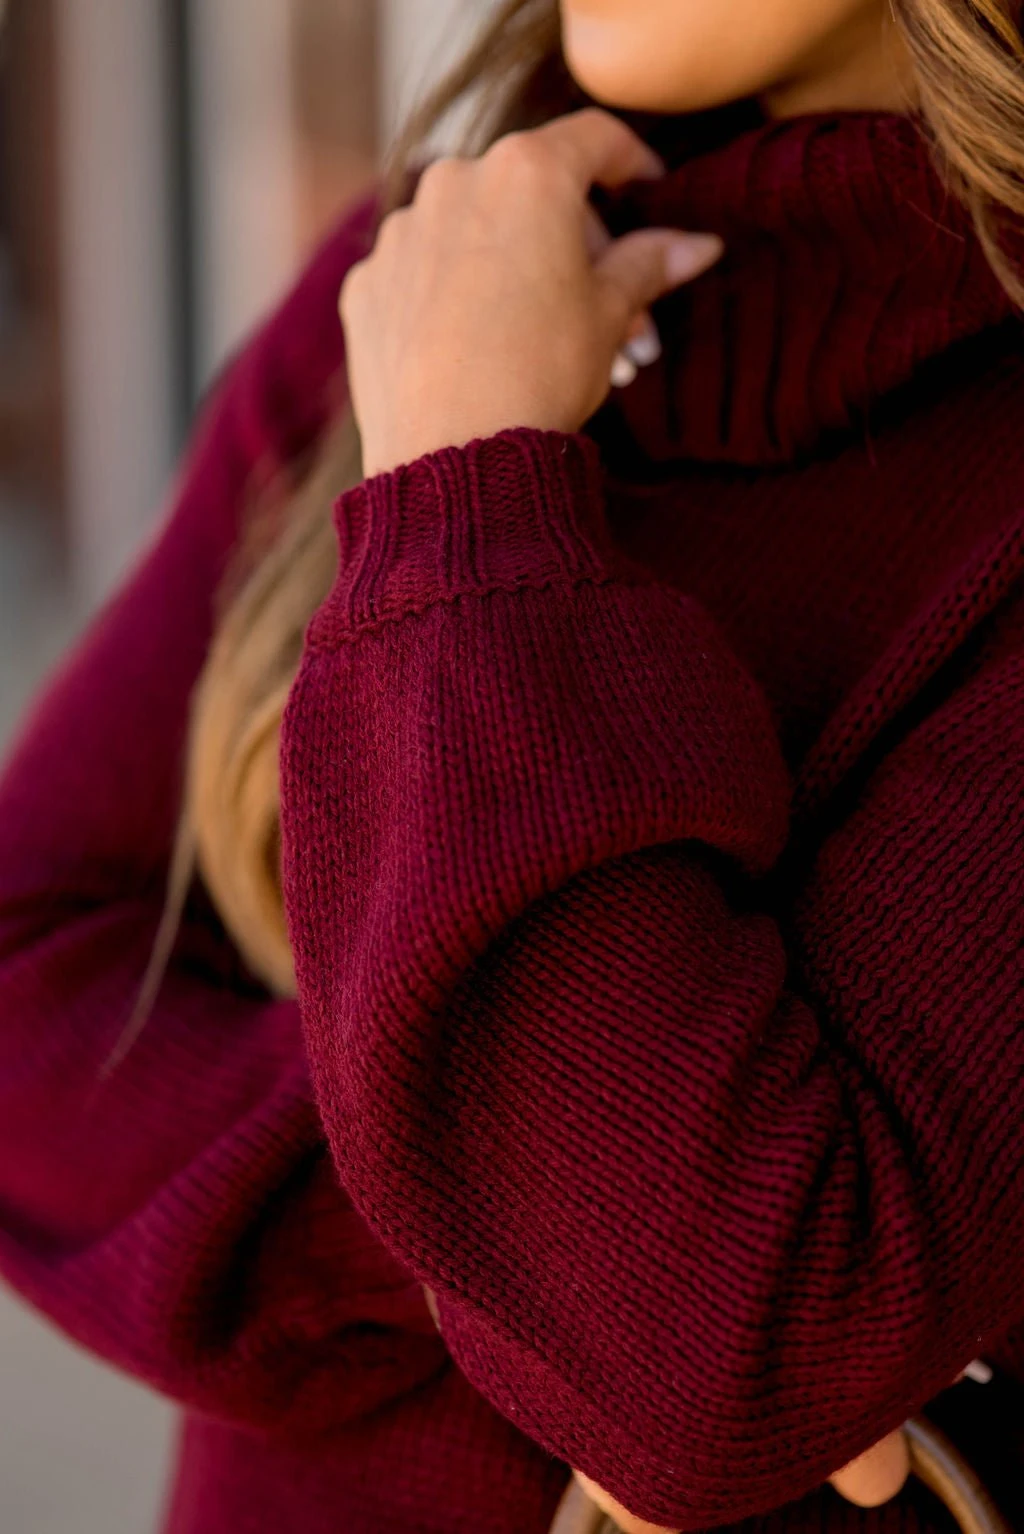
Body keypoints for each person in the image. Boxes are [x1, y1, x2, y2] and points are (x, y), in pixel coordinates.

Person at [1, 0, 1023, 1529]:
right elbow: (27, 969)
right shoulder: (427, 285)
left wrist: (469, 488)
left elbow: (714, 1340)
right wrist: (526, 1244)